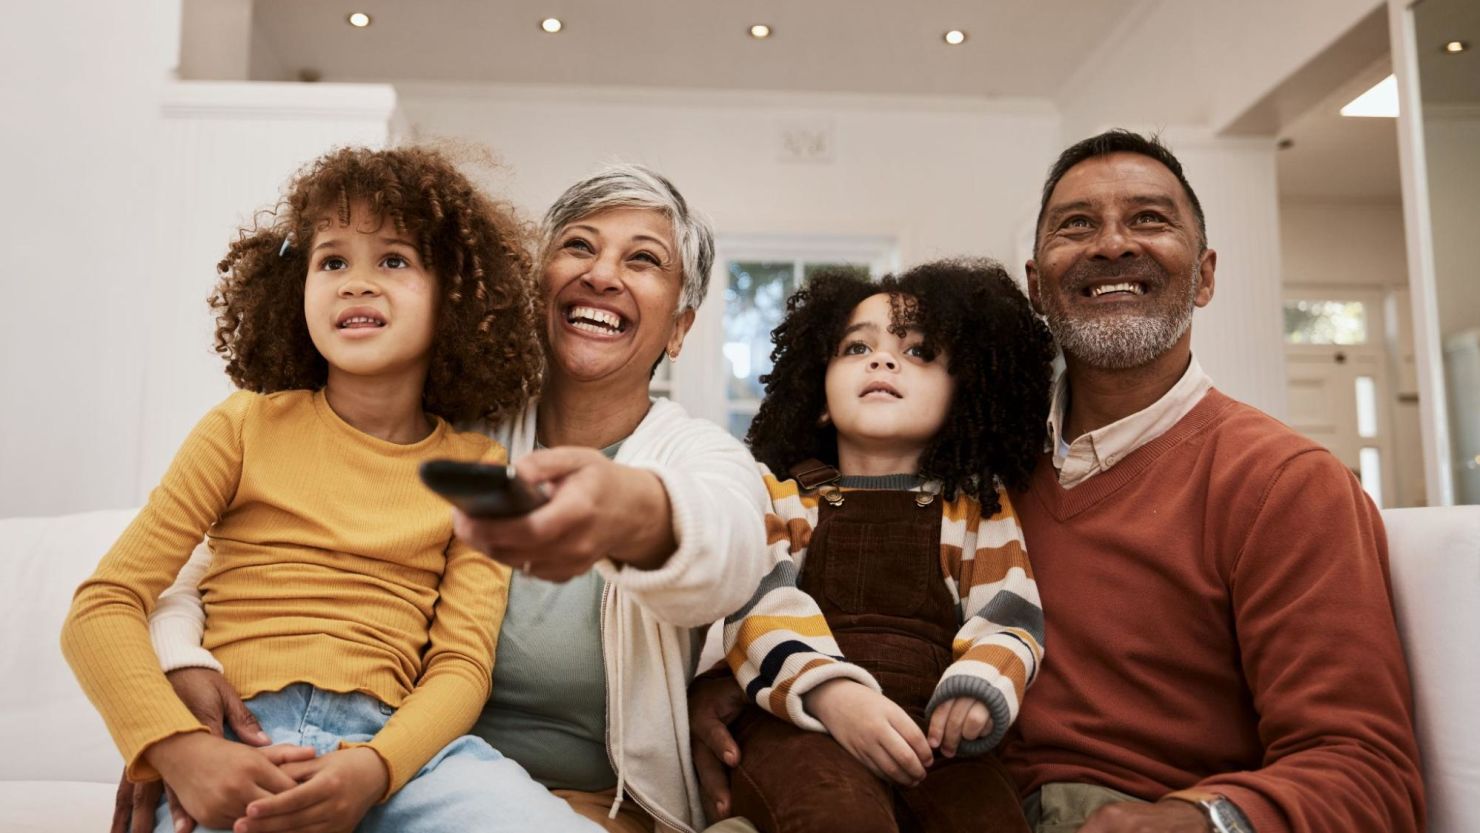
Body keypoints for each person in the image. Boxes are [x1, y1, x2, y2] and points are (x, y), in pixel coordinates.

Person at [691, 130, 1426, 833]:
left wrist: (1199, 817)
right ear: (1037, 286)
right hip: (899, 780)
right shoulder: (973, 466)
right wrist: (748, 687)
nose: (1112, 243)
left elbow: (1368, 772)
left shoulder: (1285, 485)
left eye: (1148, 219)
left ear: (1203, 275)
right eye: (1078, 224)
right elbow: (806, 595)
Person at [129, 164, 771, 833]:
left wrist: (634, 510)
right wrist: (174, 719)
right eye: (579, 246)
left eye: (643, 259)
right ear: (533, 285)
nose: (603, 274)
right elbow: (221, 557)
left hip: (572, 801)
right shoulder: (443, 429)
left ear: (680, 326)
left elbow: (732, 550)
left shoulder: (701, 457)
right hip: (401, 766)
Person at [62, 146, 603, 833]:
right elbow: (103, 604)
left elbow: (463, 664)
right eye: (332, 261)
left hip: (400, 757)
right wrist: (179, 748)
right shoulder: (243, 426)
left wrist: (374, 768)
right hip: (240, 742)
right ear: (299, 288)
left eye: (394, 260)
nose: (357, 283)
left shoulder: (481, 469)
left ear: (456, 298)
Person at [716, 261, 1054, 833]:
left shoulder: (975, 505)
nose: (882, 359)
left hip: (933, 731)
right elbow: (756, 608)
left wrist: (977, 689)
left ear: (961, 398)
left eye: (918, 352)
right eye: (855, 348)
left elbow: (1011, 616)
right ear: (820, 396)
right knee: (837, 818)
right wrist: (832, 694)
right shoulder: (782, 496)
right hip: (803, 722)